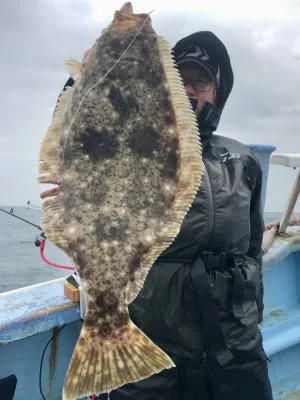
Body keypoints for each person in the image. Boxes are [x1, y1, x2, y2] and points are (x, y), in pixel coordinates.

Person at [59, 31, 273, 400]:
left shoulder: (243, 160)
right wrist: (88, 77)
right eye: (180, 81)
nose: (189, 91)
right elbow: (79, 146)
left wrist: (251, 319)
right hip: (156, 353)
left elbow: (252, 250)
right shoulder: (135, 148)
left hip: (237, 352)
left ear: (217, 94)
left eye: (201, 82)